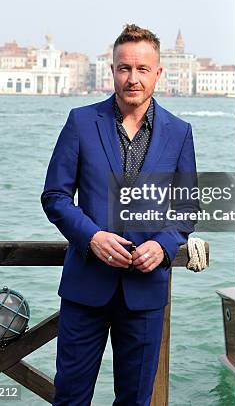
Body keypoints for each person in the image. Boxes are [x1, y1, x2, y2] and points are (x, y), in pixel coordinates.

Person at [41, 24, 197, 406]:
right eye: (124, 68)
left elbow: (187, 208)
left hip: (145, 292)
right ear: (112, 70)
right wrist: (91, 237)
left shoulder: (179, 132)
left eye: (142, 69)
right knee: (70, 399)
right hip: (85, 288)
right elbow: (55, 196)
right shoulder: (80, 122)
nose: (132, 78)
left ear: (159, 73)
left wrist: (163, 246)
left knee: (135, 401)